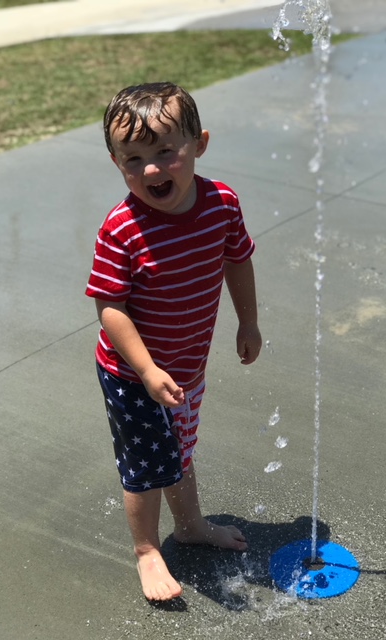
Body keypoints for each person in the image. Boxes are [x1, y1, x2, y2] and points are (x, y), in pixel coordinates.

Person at [86, 82, 262, 602]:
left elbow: (238, 259)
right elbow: (110, 308)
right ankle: (146, 550)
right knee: (144, 467)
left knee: (179, 450)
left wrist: (247, 323)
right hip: (130, 373)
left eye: (166, 151)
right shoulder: (122, 228)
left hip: (186, 366)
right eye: (134, 159)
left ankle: (190, 526)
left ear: (199, 144)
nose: (152, 170)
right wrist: (144, 369)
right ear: (116, 162)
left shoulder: (221, 204)